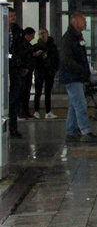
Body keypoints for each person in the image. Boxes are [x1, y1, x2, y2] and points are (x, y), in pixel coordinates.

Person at [59, 11, 97, 143]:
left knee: (74, 104)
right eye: (83, 20)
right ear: (74, 22)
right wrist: (81, 70)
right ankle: (85, 131)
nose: (85, 22)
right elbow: (66, 59)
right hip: (72, 77)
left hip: (76, 76)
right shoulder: (69, 38)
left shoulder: (77, 37)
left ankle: (71, 132)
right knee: (80, 104)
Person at [6, 10, 31, 138]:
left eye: (14, 16)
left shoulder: (18, 32)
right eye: (10, 16)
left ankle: (13, 128)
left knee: (14, 99)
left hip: (15, 68)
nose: (13, 18)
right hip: (6, 68)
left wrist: (24, 65)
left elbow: (23, 50)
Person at [31, 27, 59, 119]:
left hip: (49, 71)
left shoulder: (52, 47)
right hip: (39, 71)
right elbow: (33, 59)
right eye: (40, 34)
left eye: (44, 33)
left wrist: (54, 69)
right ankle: (36, 111)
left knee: (48, 92)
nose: (42, 35)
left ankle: (48, 111)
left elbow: (57, 59)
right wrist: (39, 57)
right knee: (38, 92)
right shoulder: (35, 47)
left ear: (47, 33)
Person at [19, 27, 36, 118]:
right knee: (23, 93)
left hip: (29, 71)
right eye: (32, 35)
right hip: (25, 72)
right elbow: (24, 57)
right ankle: (22, 112)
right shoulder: (23, 45)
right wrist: (25, 67)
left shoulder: (28, 45)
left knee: (26, 93)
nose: (33, 38)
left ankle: (25, 112)